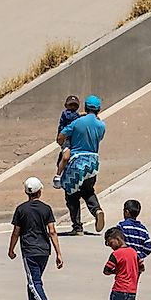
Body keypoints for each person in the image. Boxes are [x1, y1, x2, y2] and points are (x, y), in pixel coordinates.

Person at [8, 177, 63, 300]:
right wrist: (59, 253)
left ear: (26, 192)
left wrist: (11, 249)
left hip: (29, 251)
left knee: (34, 283)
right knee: (33, 283)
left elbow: (16, 232)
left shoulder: (21, 209)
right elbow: (52, 231)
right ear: (40, 191)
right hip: (44, 251)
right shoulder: (46, 209)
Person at [59, 95, 107, 235]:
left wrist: (64, 144)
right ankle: (96, 210)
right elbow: (99, 138)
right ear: (98, 109)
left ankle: (77, 227)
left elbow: (61, 136)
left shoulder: (77, 122)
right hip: (92, 163)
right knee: (88, 191)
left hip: (76, 161)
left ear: (85, 107)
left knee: (71, 194)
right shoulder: (101, 125)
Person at [103, 227, 145, 300]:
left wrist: (116, 271)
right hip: (132, 290)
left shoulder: (116, 254)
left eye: (110, 243)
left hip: (119, 289)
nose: (110, 246)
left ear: (118, 239)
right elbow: (142, 267)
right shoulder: (133, 252)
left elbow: (106, 270)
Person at [117, 199, 151, 300]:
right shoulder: (143, 229)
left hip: (124, 265)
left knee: (122, 290)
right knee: (131, 290)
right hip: (137, 266)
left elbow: (116, 241)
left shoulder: (121, 226)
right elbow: (149, 247)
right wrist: (139, 256)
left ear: (126, 212)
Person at [52, 95, 81, 187]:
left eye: (75, 105)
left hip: (73, 139)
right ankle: (58, 175)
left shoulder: (77, 116)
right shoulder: (66, 114)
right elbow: (71, 118)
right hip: (65, 139)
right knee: (66, 156)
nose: (73, 107)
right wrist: (81, 115)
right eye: (71, 105)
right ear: (66, 105)